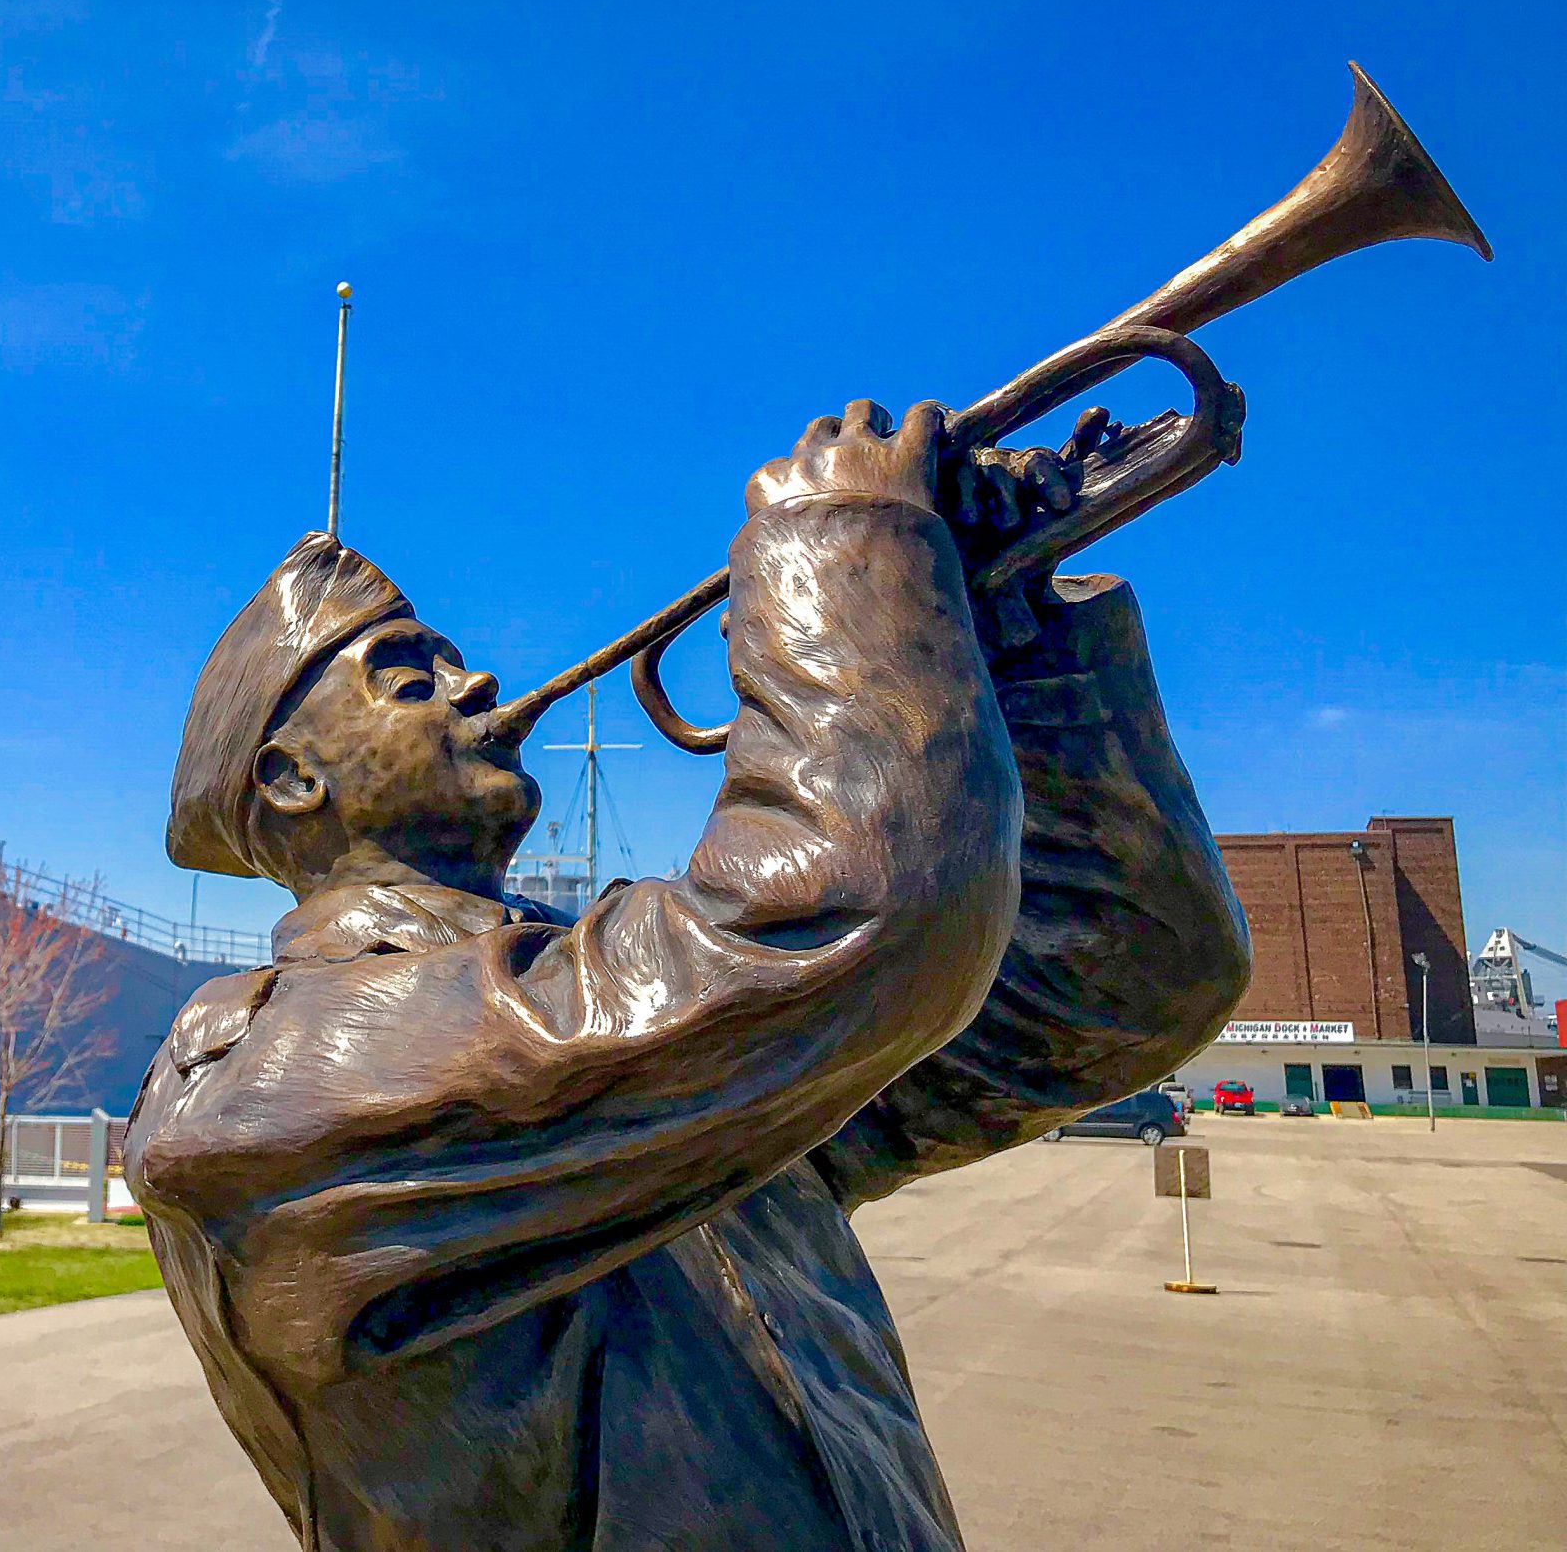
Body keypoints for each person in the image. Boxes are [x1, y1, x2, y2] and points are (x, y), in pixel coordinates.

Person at [127, 399, 1250, 1551]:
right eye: (409, 676)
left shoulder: (630, 1015)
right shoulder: (262, 1081)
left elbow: (1119, 980)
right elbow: (861, 910)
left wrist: (1014, 633)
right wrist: (842, 548)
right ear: (292, 779)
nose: (475, 682)